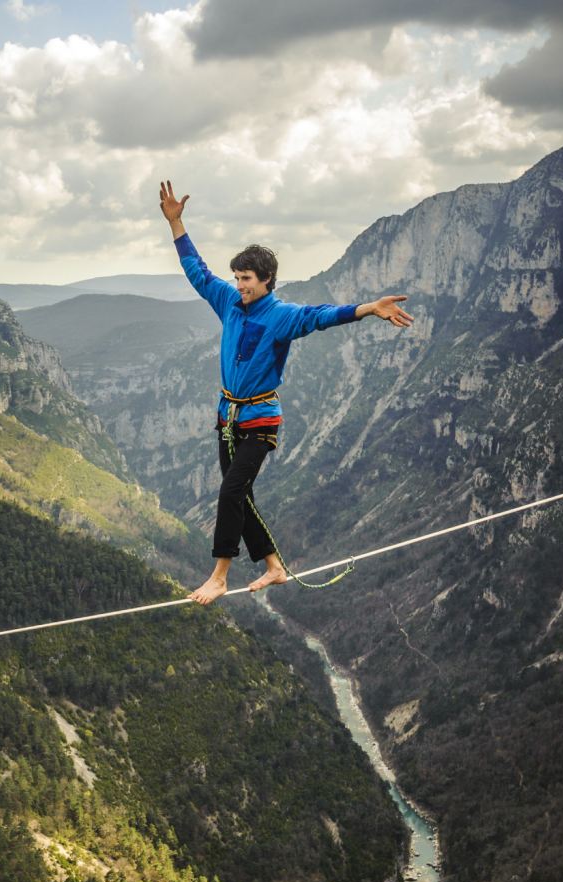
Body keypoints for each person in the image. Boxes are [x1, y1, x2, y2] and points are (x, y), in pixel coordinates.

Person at [159, 180, 414, 605]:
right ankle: (274, 566)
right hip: (228, 417)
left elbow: (321, 316)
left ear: (267, 280)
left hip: (259, 419)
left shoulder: (281, 316)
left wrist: (369, 308)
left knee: (230, 493)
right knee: (242, 496)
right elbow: (197, 272)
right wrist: (177, 223)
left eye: (247, 279)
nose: (239, 285)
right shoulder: (228, 301)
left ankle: (219, 574)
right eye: (237, 277)